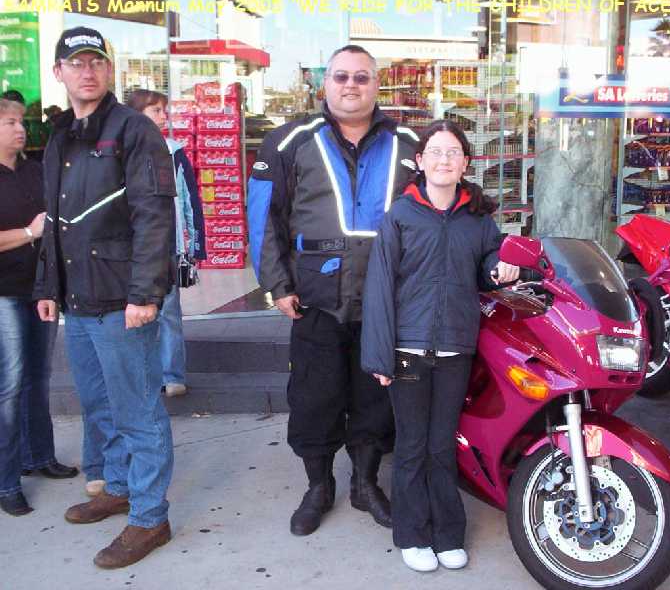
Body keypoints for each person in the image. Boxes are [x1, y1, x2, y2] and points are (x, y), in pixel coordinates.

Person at [247, 44, 418, 536]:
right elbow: (264, 219)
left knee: (375, 395)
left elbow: (440, 209)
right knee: (314, 396)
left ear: (377, 85)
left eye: (361, 77)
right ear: (325, 84)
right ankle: (318, 487)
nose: (351, 85)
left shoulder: (411, 144)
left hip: (385, 299)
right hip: (314, 298)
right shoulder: (288, 142)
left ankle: (365, 484)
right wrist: (276, 284)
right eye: (341, 76)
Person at [34, 27, 176, 568]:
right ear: (59, 72)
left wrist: (145, 293)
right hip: (77, 300)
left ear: (109, 70)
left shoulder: (135, 129)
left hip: (123, 302)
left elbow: (154, 215)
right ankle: (118, 487)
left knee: (138, 410)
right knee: (99, 405)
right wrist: (48, 286)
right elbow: (54, 221)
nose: (87, 71)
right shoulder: (60, 136)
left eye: (96, 61)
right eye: (76, 62)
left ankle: (150, 516)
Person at [360, 119, 519, 573]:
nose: (444, 160)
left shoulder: (478, 219)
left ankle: (448, 534)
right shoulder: (401, 215)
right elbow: (380, 285)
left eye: (453, 153)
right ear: (420, 161)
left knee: (442, 446)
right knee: (412, 446)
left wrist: (502, 267)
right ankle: (412, 535)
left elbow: (489, 263)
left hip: (455, 348)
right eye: (436, 151)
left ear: (465, 162)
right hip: (407, 351)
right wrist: (379, 355)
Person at [0, 98, 79, 517]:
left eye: (20, 122)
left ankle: (39, 456)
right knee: (10, 386)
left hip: (40, 289)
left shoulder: (35, 170)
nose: (20, 129)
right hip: (4, 293)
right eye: (10, 122)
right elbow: (37, 229)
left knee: (38, 379)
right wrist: (29, 233)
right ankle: (6, 481)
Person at [126, 89, 206, 398]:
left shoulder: (174, 152)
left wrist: (195, 246)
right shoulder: (120, 153)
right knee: (136, 315)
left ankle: (173, 375)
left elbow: (189, 200)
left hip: (168, 247)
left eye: (164, 110)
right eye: (156, 110)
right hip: (131, 249)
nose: (164, 117)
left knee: (169, 313)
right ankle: (144, 375)